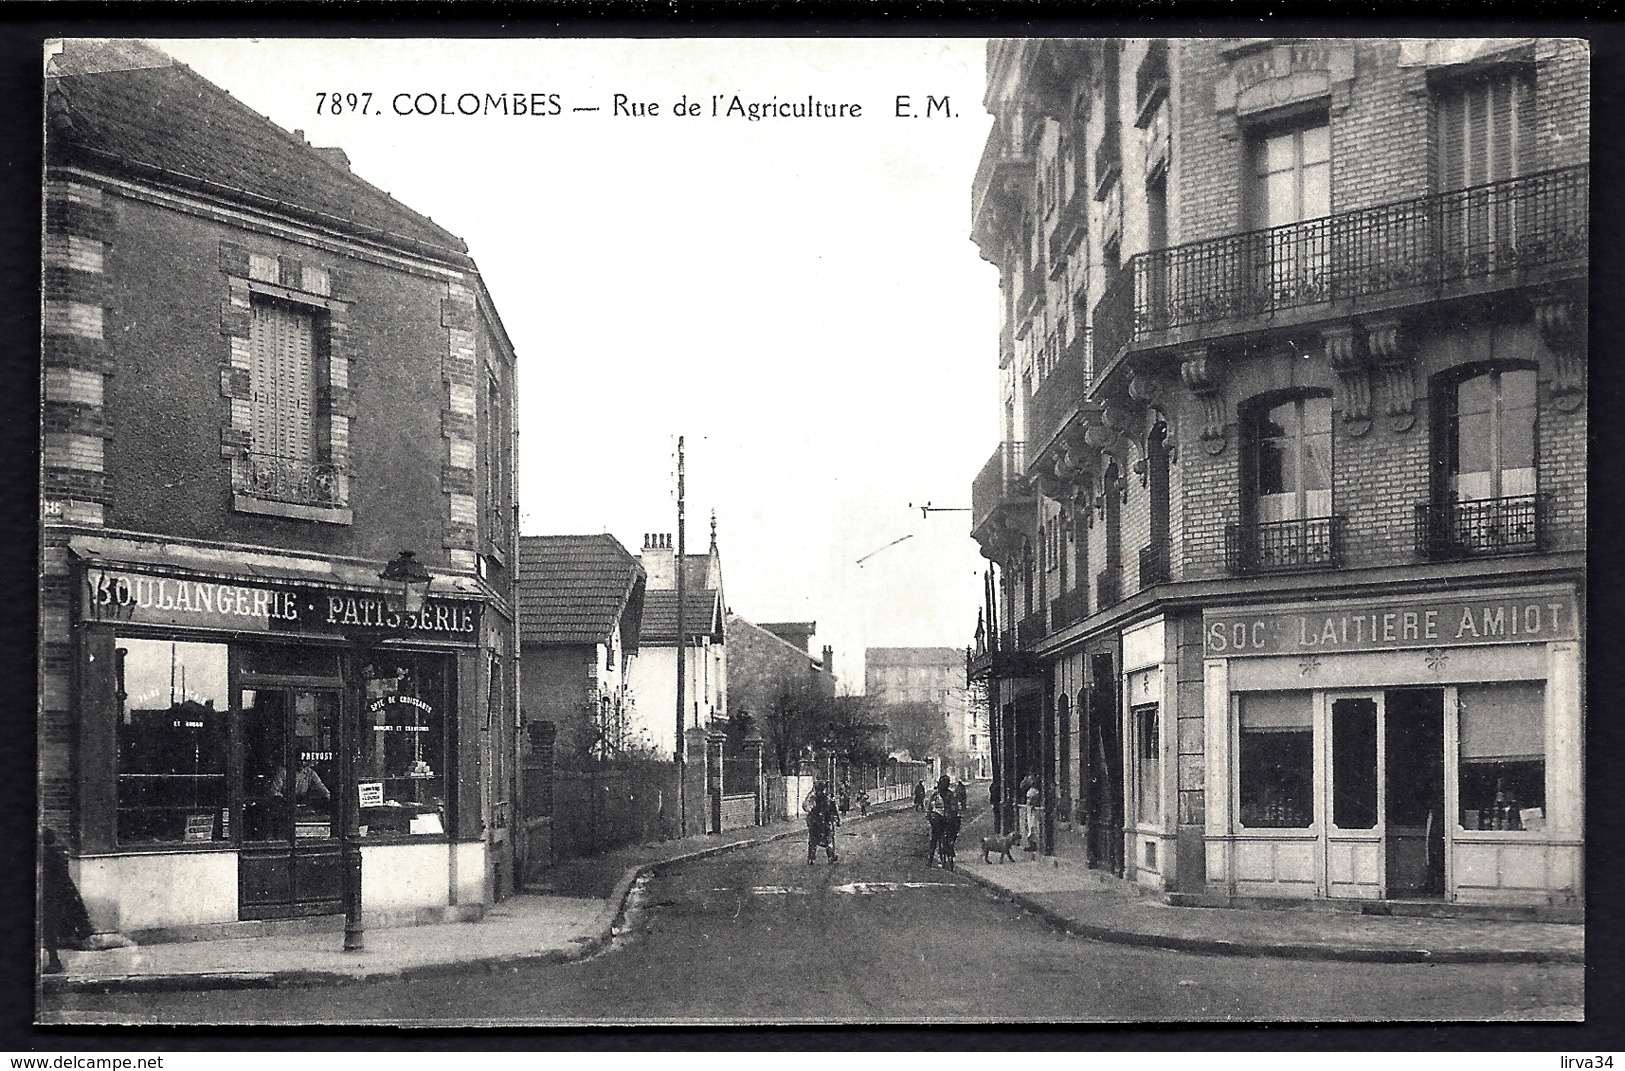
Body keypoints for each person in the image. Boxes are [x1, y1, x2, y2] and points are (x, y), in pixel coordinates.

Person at [40, 828, 92, 974]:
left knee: (49, 932)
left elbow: (62, 882)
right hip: (50, 899)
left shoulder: (47, 857)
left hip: (49, 900)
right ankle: (54, 961)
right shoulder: (53, 856)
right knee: (48, 932)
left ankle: (54, 962)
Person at [926, 774, 961, 867]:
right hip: (937, 817)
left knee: (953, 832)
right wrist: (929, 815)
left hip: (947, 818)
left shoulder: (950, 795)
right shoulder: (935, 795)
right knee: (934, 837)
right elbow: (930, 807)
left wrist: (953, 814)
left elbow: (954, 807)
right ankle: (930, 856)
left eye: (947, 784)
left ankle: (950, 847)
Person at [802, 780, 840, 864]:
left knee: (813, 840)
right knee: (829, 838)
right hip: (826, 821)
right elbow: (834, 809)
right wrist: (837, 820)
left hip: (815, 821)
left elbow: (805, 806)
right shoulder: (828, 797)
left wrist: (810, 814)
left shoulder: (813, 797)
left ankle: (811, 858)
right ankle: (831, 856)